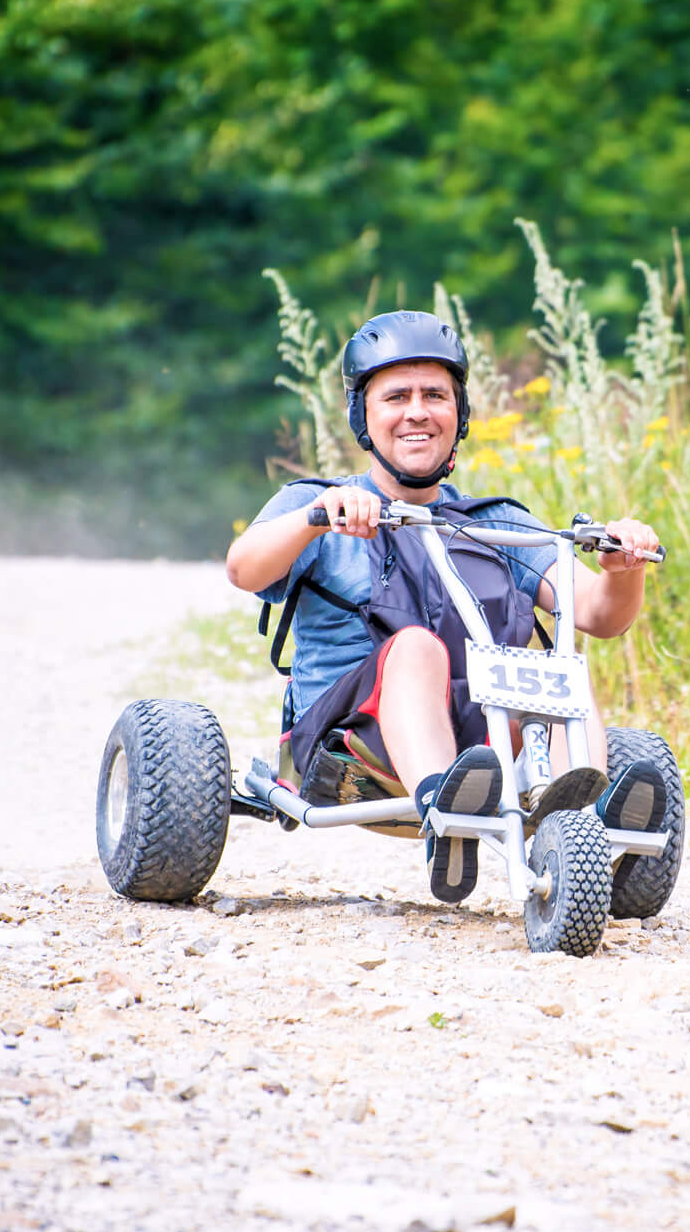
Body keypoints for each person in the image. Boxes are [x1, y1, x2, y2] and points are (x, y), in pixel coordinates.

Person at [225, 309, 667, 904]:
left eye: (435, 394)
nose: (417, 411)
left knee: (555, 667)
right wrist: (316, 519)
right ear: (364, 415)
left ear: (458, 414)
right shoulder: (320, 503)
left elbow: (595, 614)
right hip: (351, 744)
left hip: (475, 742)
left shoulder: (494, 524)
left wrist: (623, 568)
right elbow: (243, 567)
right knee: (413, 647)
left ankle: (576, 824)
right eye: (396, 396)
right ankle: (443, 812)